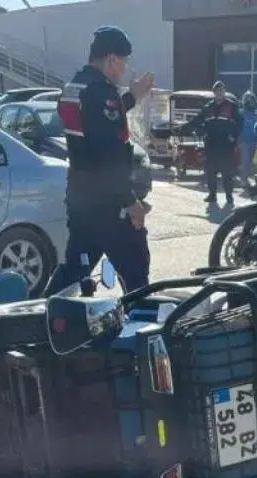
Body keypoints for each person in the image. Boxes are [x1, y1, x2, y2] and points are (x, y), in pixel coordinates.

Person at [43, 25, 155, 295]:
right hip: (108, 205)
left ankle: (46, 314)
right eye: (124, 62)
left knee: (74, 270)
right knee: (136, 272)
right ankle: (142, 320)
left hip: (81, 198)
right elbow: (108, 155)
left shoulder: (74, 87)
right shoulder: (101, 92)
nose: (124, 70)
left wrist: (131, 97)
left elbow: (98, 121)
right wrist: (131, 203)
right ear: (111, 59)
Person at [182, 80, 243, 208]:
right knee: (210, 171)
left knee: (227, 173)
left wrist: (234, 136)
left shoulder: (232, 106)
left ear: (224, 91)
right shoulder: (208, 107)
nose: (220, 93)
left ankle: (229, 196)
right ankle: (212, 195)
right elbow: (197, 120)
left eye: (222, 90)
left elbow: (240, 122)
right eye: (217, 91)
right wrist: (183, 128)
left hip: (226, 144)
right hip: (211, 143)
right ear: (214, 93)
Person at [238, 90, 257, 188]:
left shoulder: (255, 114)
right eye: (247, 100)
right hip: (244, 141)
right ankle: (243, 181)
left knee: (250, 162)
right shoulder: (241, 113)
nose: (249, 102)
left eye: (251, 100)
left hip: (253, 141)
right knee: (245, 161)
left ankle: (245, 178)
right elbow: (238, 127)